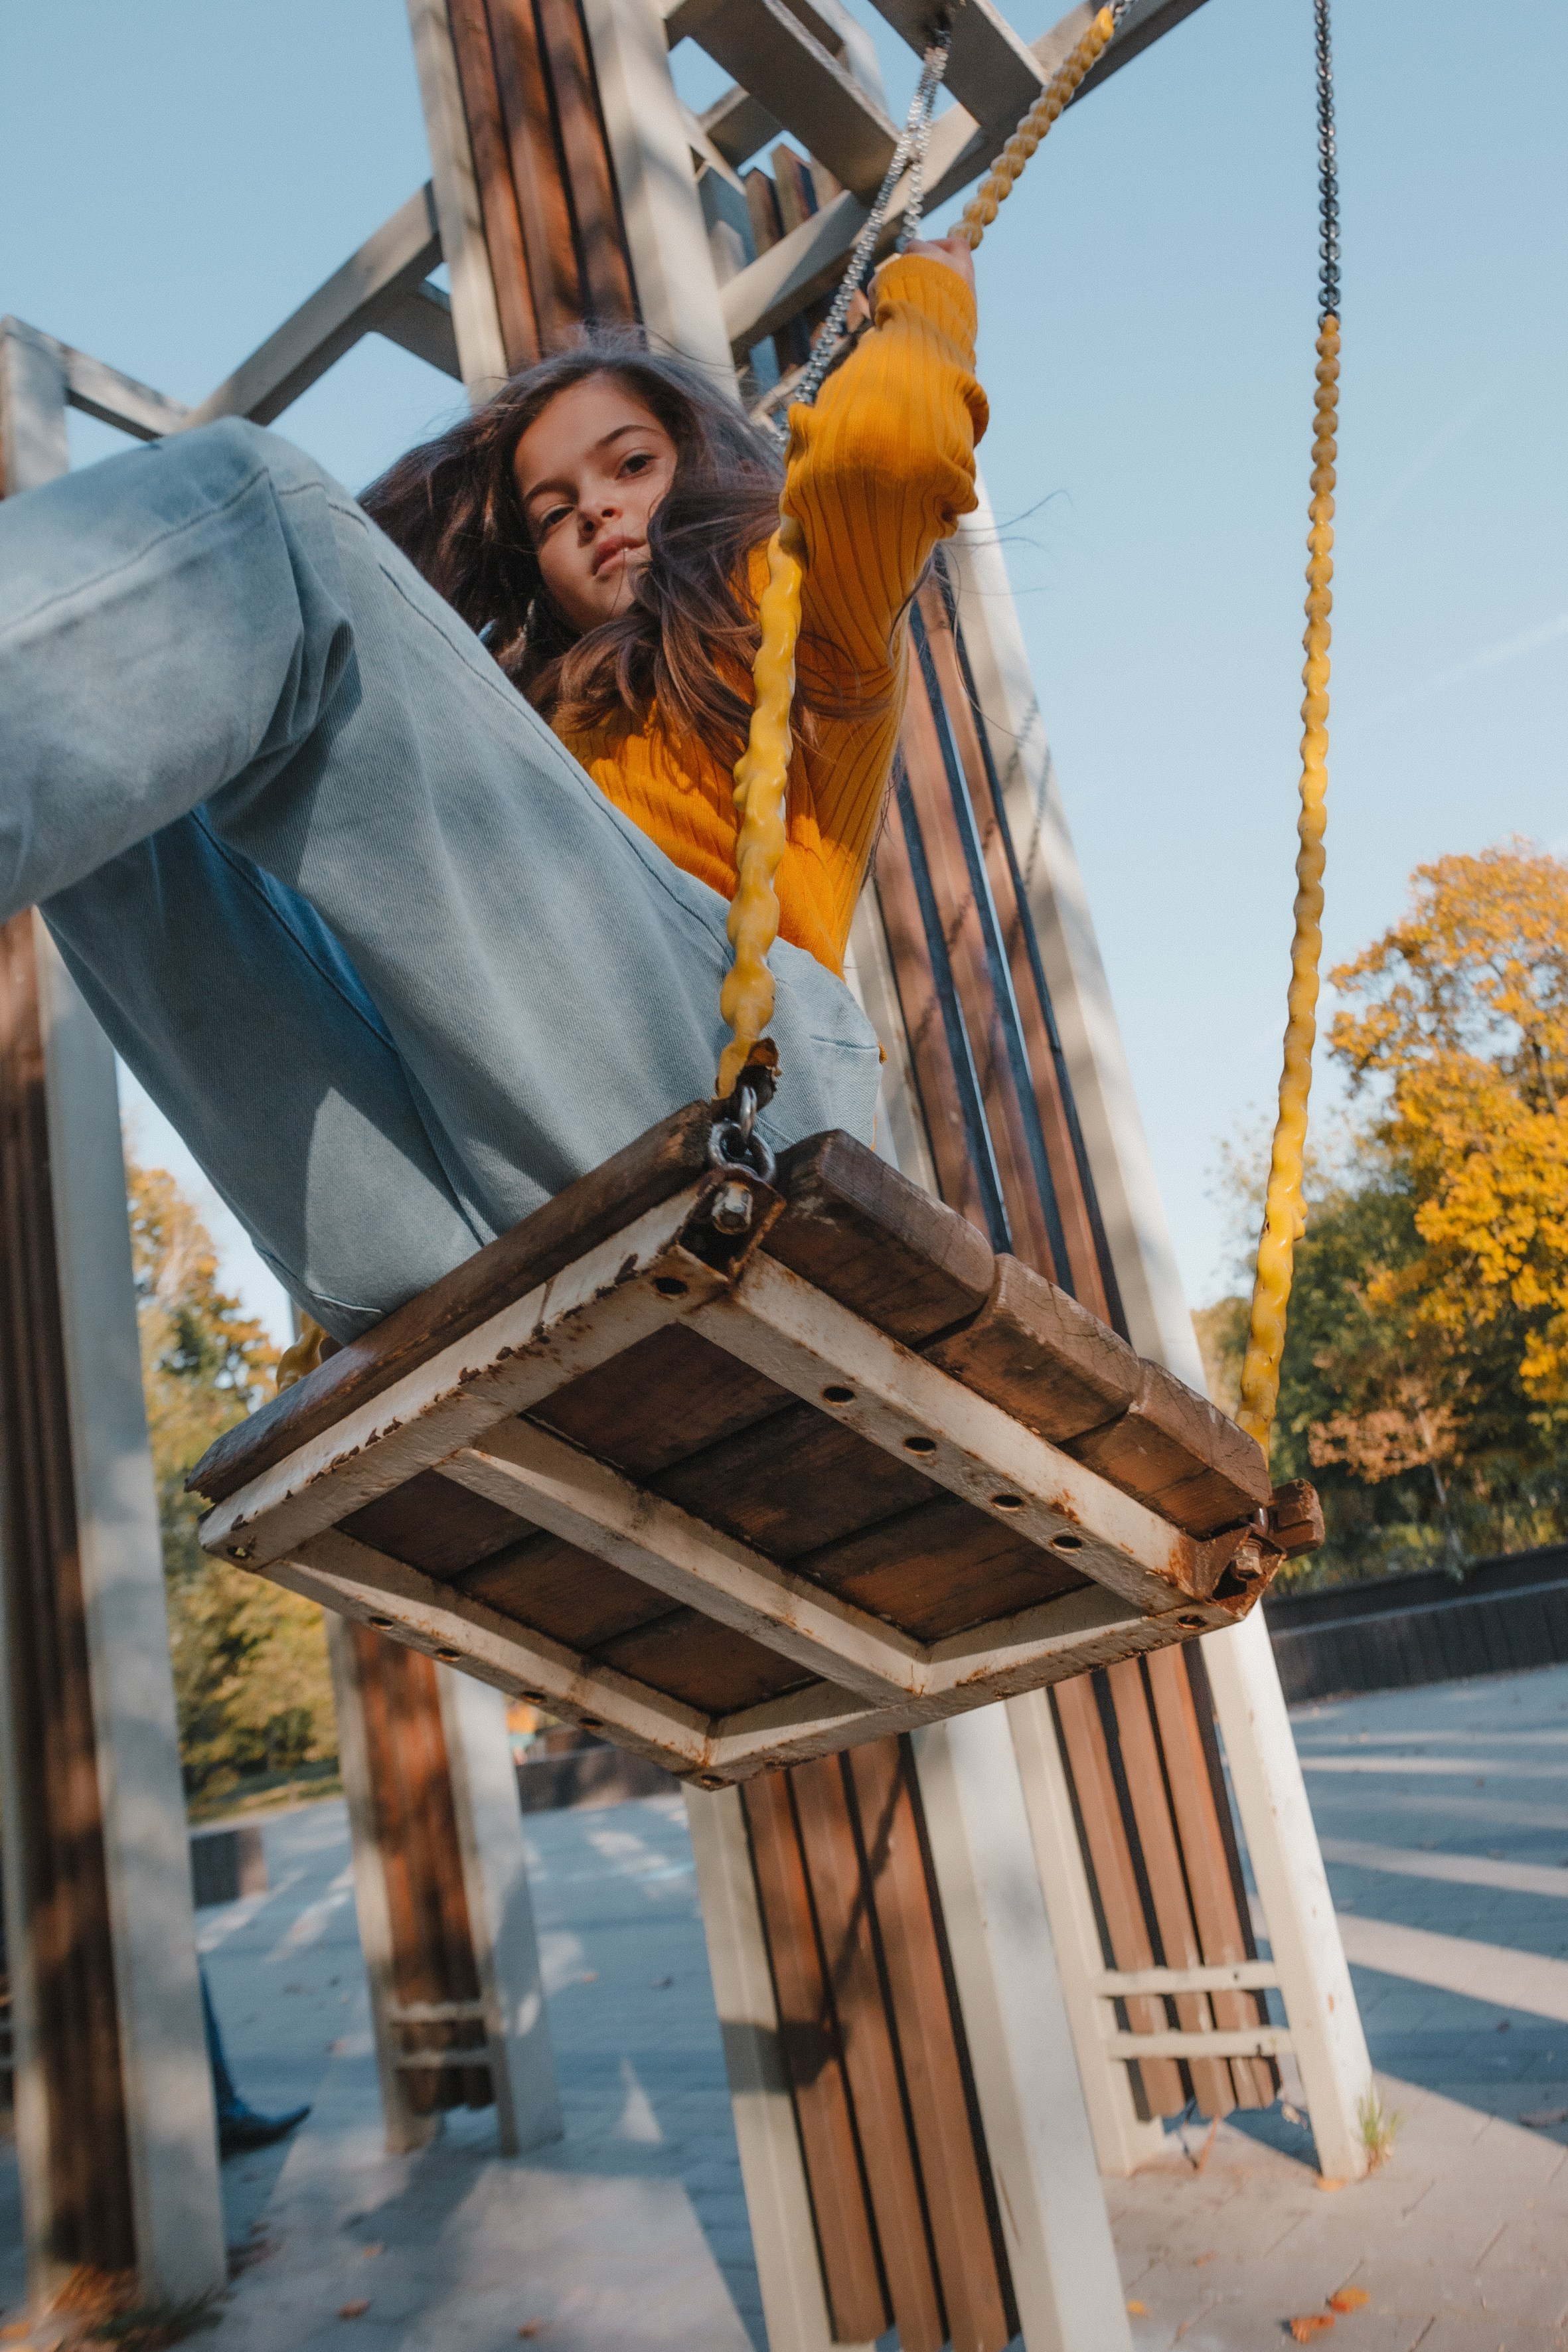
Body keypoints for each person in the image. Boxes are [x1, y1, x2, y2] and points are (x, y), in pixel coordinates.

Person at [0, 240, 983, 1339]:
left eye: (631, 466)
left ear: (699, 467)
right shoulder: (512, 736)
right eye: (556, 513)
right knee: (133, 789)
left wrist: (926, 288)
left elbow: (889, 459)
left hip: (721, 1108)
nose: (599, 514)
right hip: (437, 1213)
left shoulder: (794, 620)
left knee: (266, 515)